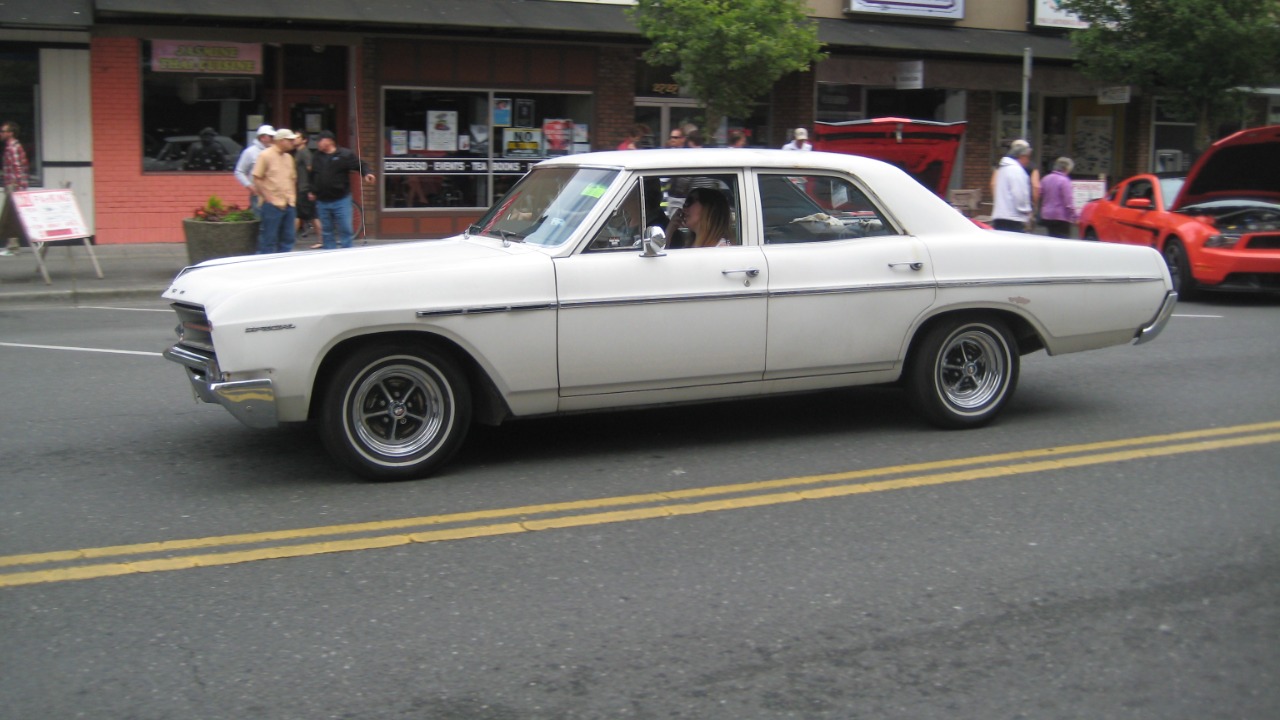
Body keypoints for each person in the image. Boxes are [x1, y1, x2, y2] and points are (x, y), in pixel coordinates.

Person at [309, 130, 376, 249]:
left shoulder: (344, 154)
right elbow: (314, 175)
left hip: (341, 200)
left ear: (329, 141)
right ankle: (329, 254)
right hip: (322, 200)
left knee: (345, 228)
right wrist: (312, 190)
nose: (318, 143)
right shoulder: (317, 157)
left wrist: (367, 174)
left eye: (320, 140)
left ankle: (347, 254)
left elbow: (360, 164)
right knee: (326, 231)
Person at [251, 128, 298, 254]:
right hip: (272, 204)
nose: (293, 142)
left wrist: (293, 198)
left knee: (288, 238)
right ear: (281, 141)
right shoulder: (265, 155)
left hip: (289, 203)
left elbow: (293, 179)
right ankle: (267, 268)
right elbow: (257, 178)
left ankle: (284, 266)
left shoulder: (289, 157)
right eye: (290, 140)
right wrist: (268, 198)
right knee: (269, 239)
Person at [666, 186, 733, 248]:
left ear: (708, 208)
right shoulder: (690, 244)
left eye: (689, 201)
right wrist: (669, 230)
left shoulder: (722, 249)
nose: (683, 208)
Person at [992, 140, 1034, 232]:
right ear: (1021, 156)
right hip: (1014, 218)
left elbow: (993, 185)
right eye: (1027, 157)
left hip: (1000, 216)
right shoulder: (1017, 171)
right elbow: (1020, 195)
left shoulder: (1003, 168)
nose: (1028, 161)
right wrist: (1027, 210)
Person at [1, 120, 30, 256]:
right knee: (12, 216)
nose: (1, 133)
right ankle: (12, 245)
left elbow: (18, 167)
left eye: (3, 131)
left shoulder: (12, 147)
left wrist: (16, 185)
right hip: (13, 185)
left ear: (10, 133)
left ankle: (13, 247)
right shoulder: (11, 146)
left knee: (11, 216)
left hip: (14, 186)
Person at [291, 130, 322, 248]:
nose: (294, 139)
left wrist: (311, 189)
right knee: (306, 215)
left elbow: (311, 170)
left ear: (304, 140)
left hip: (305, 189)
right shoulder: (298, 153)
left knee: (309, 216)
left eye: (297, 137)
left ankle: (321, 239)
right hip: (300, 188)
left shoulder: (305, 153)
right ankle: (290, 240)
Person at [234, 124, 275, 214]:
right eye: (271, 136)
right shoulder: (250, 152)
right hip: (258, 193)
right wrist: (250, 187)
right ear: (262, 137)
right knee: (260, 221)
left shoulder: (275, 152)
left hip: (274, 193)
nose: (273, 139)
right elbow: (239, 171)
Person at [1039, 156, 1079, 238]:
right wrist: (1075, 217)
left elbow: (1040, 194)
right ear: (1066, 168)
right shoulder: (1064, 181)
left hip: (1047, 215)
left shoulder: (1045, 179)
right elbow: (1068, 201)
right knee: (1062, 241)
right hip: (1061, 217)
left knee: (1051, 238)